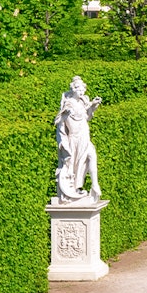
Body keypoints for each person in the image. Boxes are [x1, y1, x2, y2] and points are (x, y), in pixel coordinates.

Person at [54, 76, 103, 204]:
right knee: (77, 164)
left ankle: (95, 185)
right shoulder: (68, 103)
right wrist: (65, 113)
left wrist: (93, 106)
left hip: (84, 135)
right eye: (79, 90)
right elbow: (59, 121)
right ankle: (76, 187)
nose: (81, 93)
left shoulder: (83, 101)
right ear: (73, 89)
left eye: (83, 90)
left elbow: (86, 117)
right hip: (74, 139)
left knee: (92, 156)